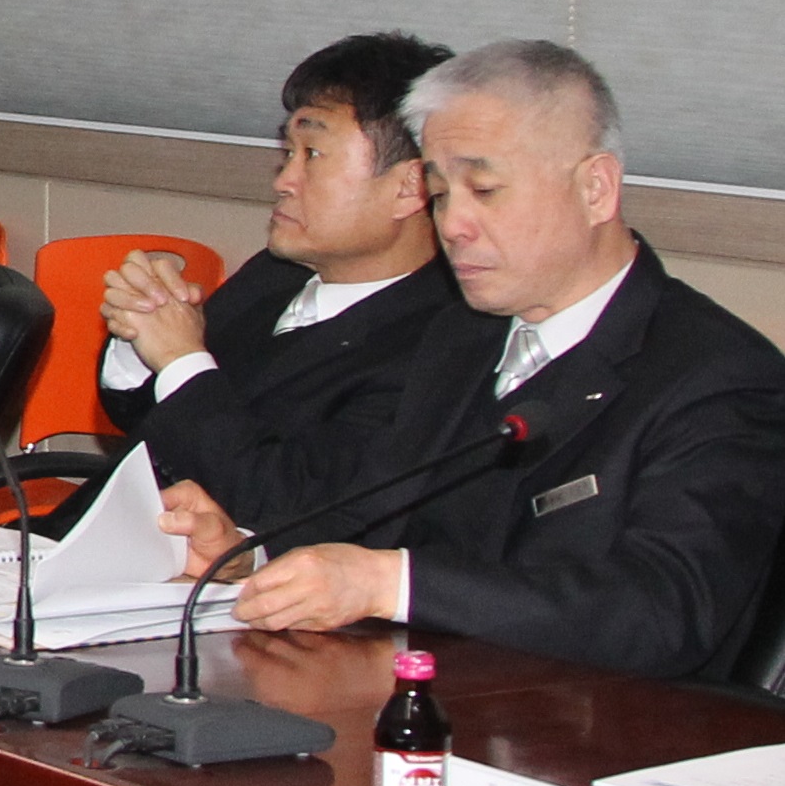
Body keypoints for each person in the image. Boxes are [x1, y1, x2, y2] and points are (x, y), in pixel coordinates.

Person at [162, 41, 785, 681]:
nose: (454, 224)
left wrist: (391, 583)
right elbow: (375, 514)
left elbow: (662, 613)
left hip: (601, 719)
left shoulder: (719, 376)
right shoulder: (461, 334)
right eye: (440, 194)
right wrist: (253, 556)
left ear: (595, 189)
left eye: (485, 190)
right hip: (422, 694)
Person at [91, 33, 461, 526]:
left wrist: (181, 358)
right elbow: (149, 417)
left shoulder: (436, 347)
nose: (283, 180)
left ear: (410, 187)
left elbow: (284, 506)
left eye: (313, 155)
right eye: (289, 153)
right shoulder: (276, 273)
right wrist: (142, 335)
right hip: (110, 527)